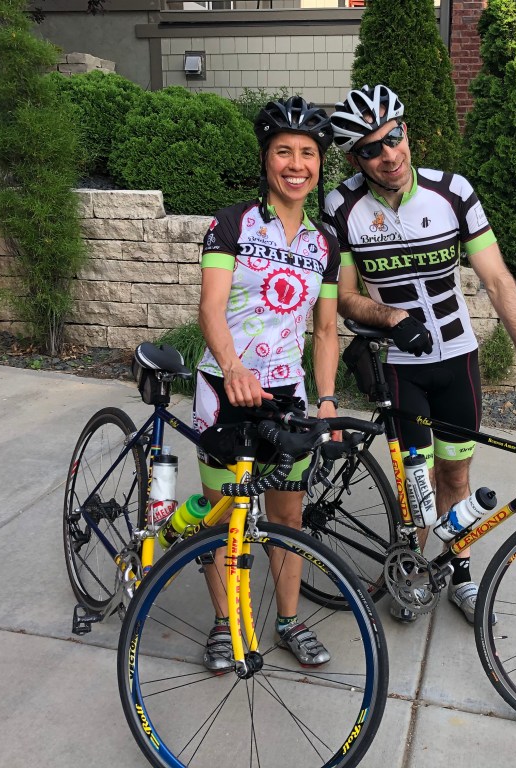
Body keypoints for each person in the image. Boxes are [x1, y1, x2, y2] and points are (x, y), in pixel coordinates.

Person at [324, 84, 516, 625]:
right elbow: (345, 296)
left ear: (406, 132)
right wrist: (392, 318)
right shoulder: (341, 206)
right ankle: (413, 570)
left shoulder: (452, 192)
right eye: (371, 148)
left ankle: (458, 571)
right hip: (400, 367)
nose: (389, 154)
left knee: (456, 477)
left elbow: (497, 278)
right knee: (416, 487)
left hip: (457, 360)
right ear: (354, 159)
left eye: (394, 137)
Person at [194, 96, 340, 670]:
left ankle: (288, 620)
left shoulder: (325, 243)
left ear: (319, 164)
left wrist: (326, 399)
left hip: (287, 395)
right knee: (220, 517)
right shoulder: (231, 223)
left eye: (308, 153)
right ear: (265, 158)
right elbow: (210, 308)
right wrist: (233, 367)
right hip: (224, 389)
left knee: (287, 517)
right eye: (284, 151)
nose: (296, 164)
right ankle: (224, 623)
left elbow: (324, 330)